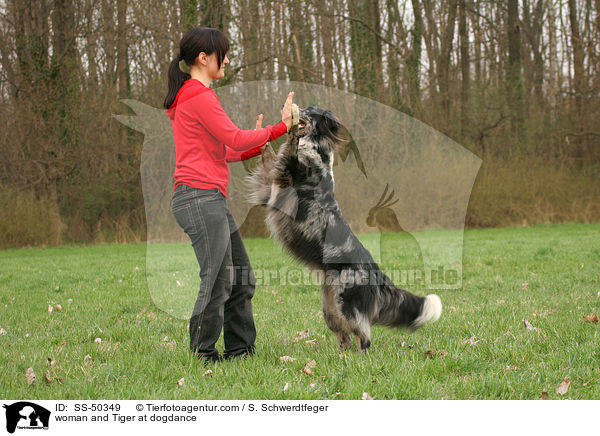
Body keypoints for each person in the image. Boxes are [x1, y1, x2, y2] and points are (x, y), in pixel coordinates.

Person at [164, 27, 294, 362]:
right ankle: (202, 354)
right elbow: (235, 139)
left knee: (241, 278)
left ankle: (240, 353)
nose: (228, 60)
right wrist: (279, 127)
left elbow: (224, 151)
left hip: (207, 198)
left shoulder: (192, 97)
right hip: (198, 198)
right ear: (203, 58)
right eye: (223, 53)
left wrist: (257, 140)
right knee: (219, 279)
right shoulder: (198, 95)